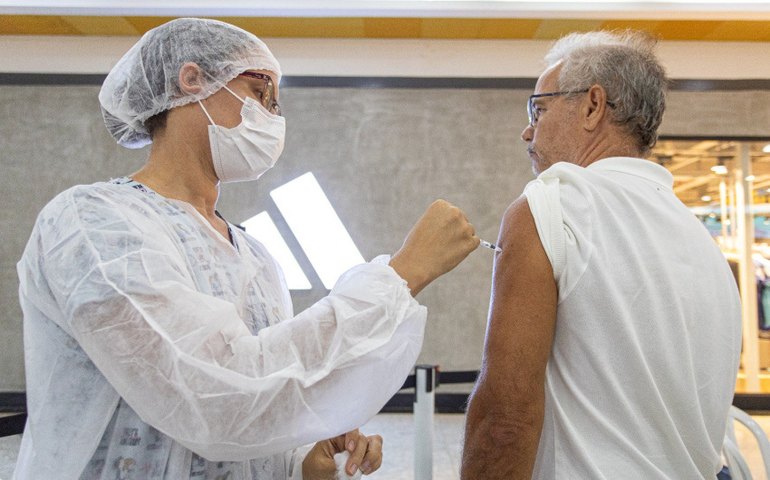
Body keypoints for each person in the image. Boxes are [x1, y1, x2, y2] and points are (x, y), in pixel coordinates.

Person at [14, 18, 480, 480]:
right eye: (261, 94)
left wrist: (303, 459)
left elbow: (264, 395)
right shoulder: (92, 224)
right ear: (192, 80)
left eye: (276, 105)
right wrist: (401, 274)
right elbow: (208, 393)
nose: (272, 118)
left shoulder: (255, 257)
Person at [461, 30, 742, 479]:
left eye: (540, 108)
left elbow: (505, 422)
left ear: (593, 106)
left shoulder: (551, 206)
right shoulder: (701, 242)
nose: (527, 130)